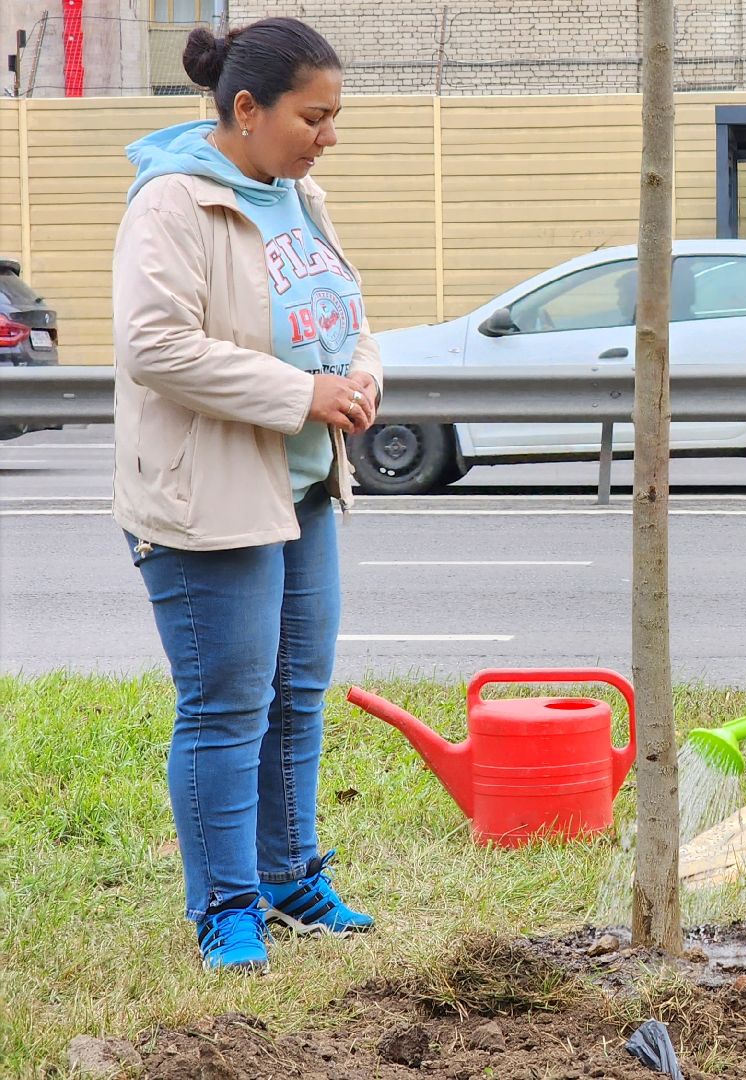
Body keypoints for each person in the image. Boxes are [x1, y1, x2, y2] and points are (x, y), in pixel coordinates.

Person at [113, 18, 383, 974]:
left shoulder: (300, 196)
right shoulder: (172, 203)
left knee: (296, 696)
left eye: (334, 117)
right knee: (228, 707)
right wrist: (302, 393)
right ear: (245, 109)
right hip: (208, 501)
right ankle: (227, 907)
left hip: (303, 486)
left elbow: (343, 310)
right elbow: (155, 347)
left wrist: (358, 371)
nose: (328, 136)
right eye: (315, 117)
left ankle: (288, 875)